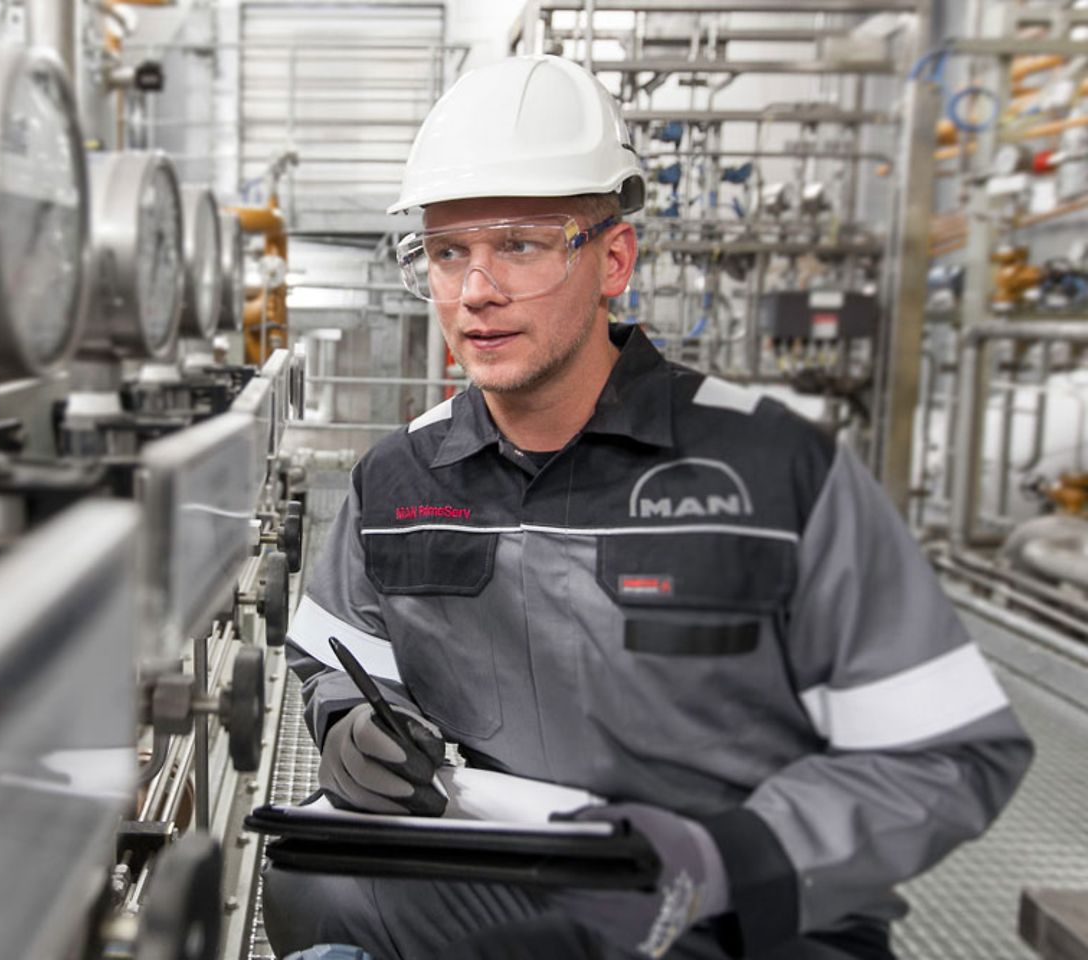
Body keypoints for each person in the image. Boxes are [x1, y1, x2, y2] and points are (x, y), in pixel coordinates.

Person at [262, 54, 1032, 960]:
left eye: (520, 245)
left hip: (729, 912)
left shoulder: (776, 471)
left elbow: (947, 753)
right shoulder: (399, 479)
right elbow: (333, 653)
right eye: (446, 253)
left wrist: (726, 857)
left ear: (613, 258)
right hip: (501, 882)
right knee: (309, 884)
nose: (476, 292)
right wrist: (351, 723)